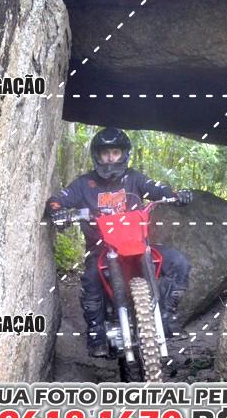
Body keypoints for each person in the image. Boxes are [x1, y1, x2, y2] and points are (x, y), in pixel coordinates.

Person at [45, 127, 193, 358]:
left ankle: (166, 316)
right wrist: (58, 212)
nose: (110, 158)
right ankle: (96, 334)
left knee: (179, 263)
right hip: (101, 250)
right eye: (106, 153)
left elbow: (157, 189)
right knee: (91, 278)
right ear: (97, 155)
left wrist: (175, 195)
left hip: (137, 246)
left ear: (124, 154)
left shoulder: (134, 178)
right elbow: (57, 201)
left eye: (115, 152)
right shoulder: (84, 183)